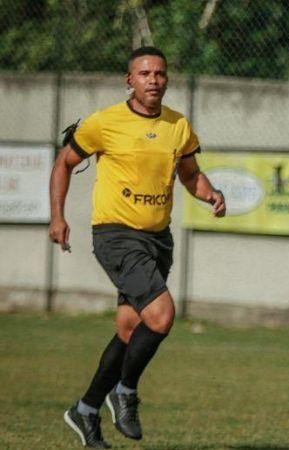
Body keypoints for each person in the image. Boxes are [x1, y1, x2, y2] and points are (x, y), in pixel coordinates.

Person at [49, 46, 226, 448]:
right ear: (129, 79)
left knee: (130, 330)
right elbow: (64, 162)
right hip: (116, 235)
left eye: (160, 73)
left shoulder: (178, 126)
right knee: (162, 315)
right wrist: (58, 216)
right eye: (144, 73)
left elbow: (190, 174)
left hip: (157, 239)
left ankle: (86, 409)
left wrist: (211, 193)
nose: (153, 80)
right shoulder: (105, 123)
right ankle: (124, 392)